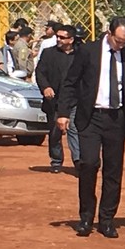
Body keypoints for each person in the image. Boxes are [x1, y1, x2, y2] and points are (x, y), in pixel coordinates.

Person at [57, 17, 125, 238]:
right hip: (91, 117)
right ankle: (86, 217)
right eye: (118, 41)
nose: (121, 46)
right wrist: (62, 113)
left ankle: (106, 219)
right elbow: (71, 82)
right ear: (109, 34)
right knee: (88, 164)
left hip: (117, 119)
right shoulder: (88, 52)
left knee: (113, 169)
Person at [35, 24, 81, 173]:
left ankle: (78, 161)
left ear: (71, 39)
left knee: (74, 128)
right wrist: (45, 87)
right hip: (53, 100)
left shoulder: (80, 54)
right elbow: (40, 72)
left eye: (62, 37)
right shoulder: (49, 53)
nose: (58, 39)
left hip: (74, 100)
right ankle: (56, 161)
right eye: (57, 36)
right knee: (55, 131)